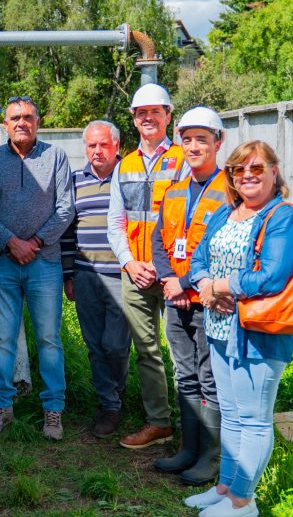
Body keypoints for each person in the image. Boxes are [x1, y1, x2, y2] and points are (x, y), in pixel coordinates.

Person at [184, 140, 293, 517]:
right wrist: (205, 284)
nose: (248, 176)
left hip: (259, 334)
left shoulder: (281, 215)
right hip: (221, 328)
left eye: (257, 169)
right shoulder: (226, 212)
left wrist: (220, 286)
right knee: (232, 415)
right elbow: (199, 256)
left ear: (273, 172)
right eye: (240, 170)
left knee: (253, 419)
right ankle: (226, 487)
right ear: (232, 177)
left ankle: (243, 502)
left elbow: (272, 275)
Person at [0, 95, 74, 440]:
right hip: (4, 263)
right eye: (15, 117)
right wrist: (11, 242)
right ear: (5, 123)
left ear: (38, 122)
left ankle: (53, 411)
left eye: (28, 117)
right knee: (3, 339)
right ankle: (1, 405)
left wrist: (34, 243)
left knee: (49, 338)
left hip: (44, 264)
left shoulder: (56, 157)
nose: (21, 122)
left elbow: (65, 209)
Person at [107, 83, 188, 449]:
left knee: (185, 351)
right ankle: (159, 423)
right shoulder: (125, 164)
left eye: (156, 111)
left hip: (176, 275)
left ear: (168, 115)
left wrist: (171, 270)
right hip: (136, 273)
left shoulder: (185, 159)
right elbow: (115, 221)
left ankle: (196, 425)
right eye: (142, 113)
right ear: (134, 120)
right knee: (147, 350)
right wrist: (129, 263)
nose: (149, 118)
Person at [151, 107, 227, 484]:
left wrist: (188, 284)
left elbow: (229, 248)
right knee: (185, 376)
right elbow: (158, 240)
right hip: (175, 298)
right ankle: (188, 449)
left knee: (210, 378)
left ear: (218, 142)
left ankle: (210, 458)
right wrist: (169, 280)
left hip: (210, 303)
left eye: (202, 139)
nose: (193, 146)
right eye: (187, 139)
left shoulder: (230, 191)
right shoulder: (176, 190)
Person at [61, 120, 131, 439]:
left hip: (121, 277)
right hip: (86, 276)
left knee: (115, 345)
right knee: (94, 345)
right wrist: (68, 274)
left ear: (116, 146)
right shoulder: (75, 181)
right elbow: (67, 231)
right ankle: (109, 406)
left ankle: (116, 392)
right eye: (91, 145)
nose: (97, 151)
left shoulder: (130, 178)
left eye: (103, 144)